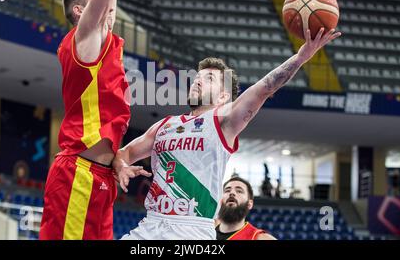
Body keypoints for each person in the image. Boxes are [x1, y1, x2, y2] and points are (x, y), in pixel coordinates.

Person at [113, 26, 341, 240]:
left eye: (209, 79)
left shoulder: (223, 121)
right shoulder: (164, 125)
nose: (198, 81)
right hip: (150, 224)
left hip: (191, 229)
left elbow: (265, 88)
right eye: (198, 77)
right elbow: (125, 152)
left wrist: (301, 57)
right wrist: (121, 165)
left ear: (223, 97)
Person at [39, 0, 146, 240]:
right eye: (100, 4)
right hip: (77, 174)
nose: (109, 9)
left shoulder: (104, 44)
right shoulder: (83, 39)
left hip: (101, 178)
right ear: (80, 12)